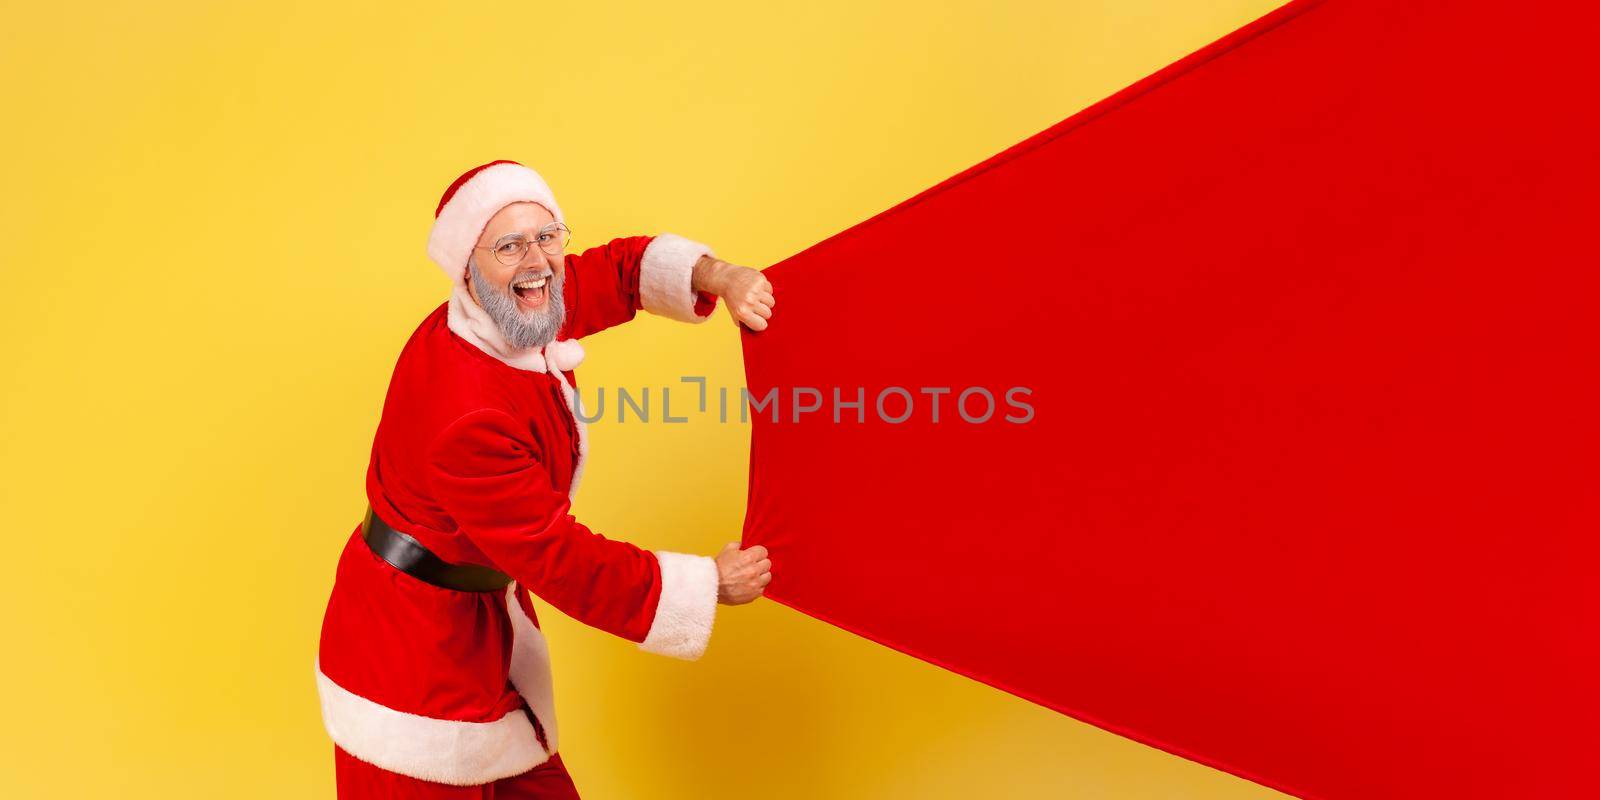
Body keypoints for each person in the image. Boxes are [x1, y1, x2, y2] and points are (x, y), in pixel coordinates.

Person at [315, 160, 775, 798]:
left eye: (547, 235)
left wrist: (718, 276)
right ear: (467, 266)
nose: (538, 260)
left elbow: (615, 272)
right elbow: (560, 558)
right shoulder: (466, 417)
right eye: (509, 244)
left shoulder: (513, 304)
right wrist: (703, 585)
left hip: (477, 630)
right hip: (410, 662)